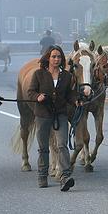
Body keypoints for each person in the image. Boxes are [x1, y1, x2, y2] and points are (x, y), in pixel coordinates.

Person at [26, 45, 78, 191]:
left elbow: (70, 94)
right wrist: (38, 96)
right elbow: (30, 92)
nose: (56, 59)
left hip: (60, 114)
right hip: (42, 115)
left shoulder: (67, 76)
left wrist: (75, 100)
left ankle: (65, 176)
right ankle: (42, 176)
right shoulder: (39, 74)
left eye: (59, 57)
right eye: (53, 56)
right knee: (43, 148)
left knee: (62, 144)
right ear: (48, 58)